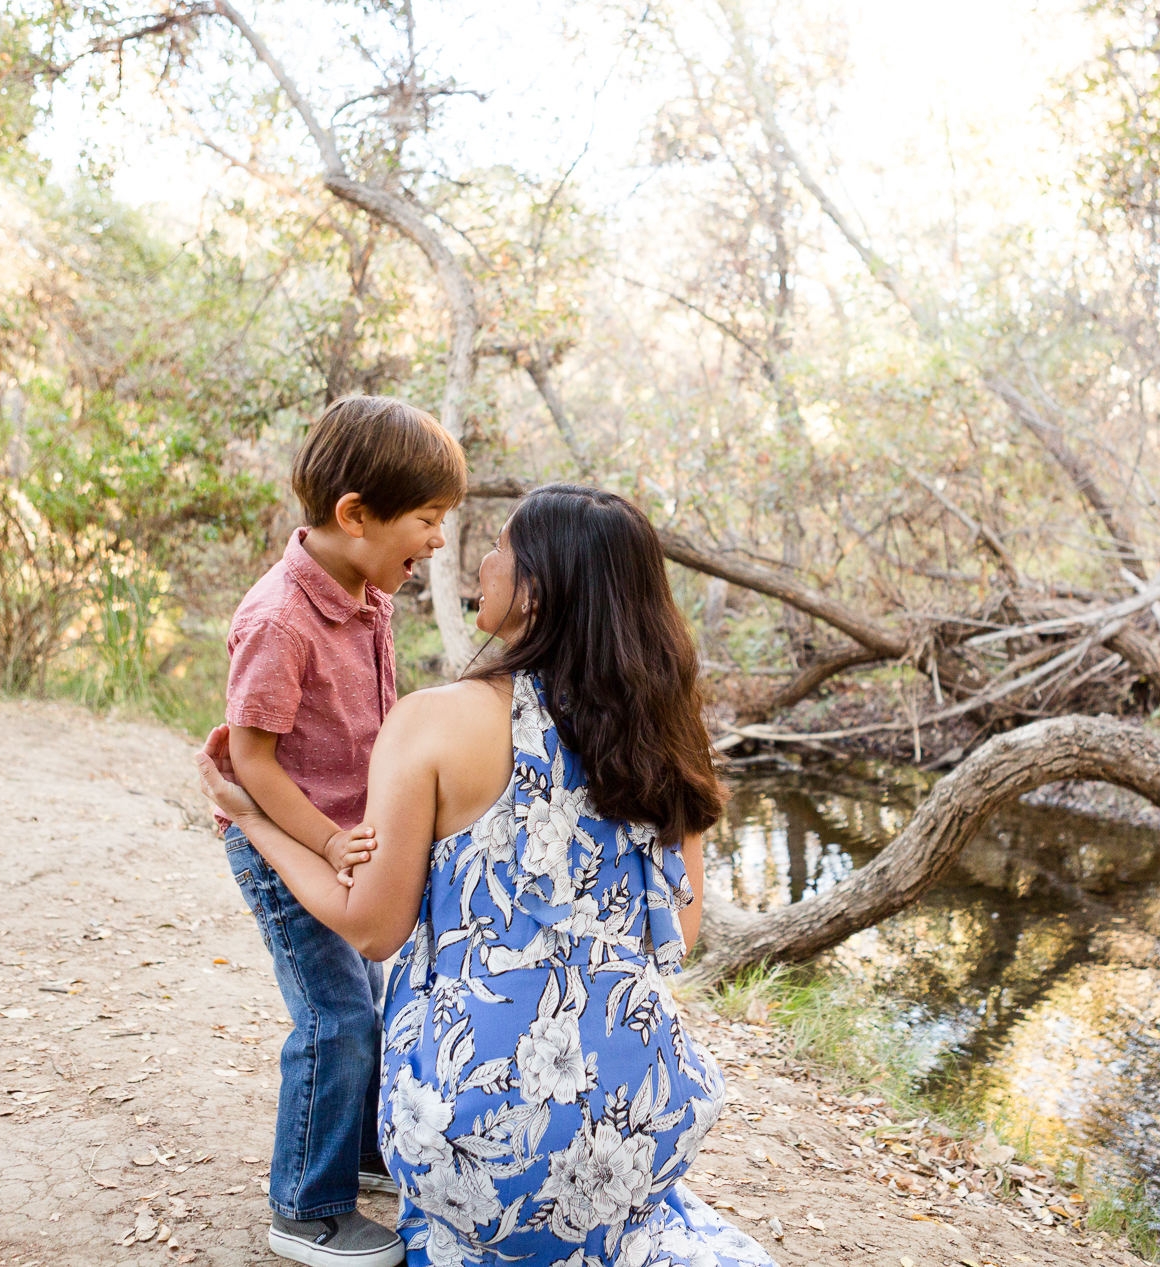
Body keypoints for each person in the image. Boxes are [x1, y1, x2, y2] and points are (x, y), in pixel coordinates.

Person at [198, 484, 774, 1267]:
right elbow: (682, 930)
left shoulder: (436, 721)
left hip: (477, 1132)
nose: (479, 559)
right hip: (644, 1121)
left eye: (501, 547)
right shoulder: (665, 733)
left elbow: (371, 925)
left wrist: (256, 818)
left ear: (536, 588)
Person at [220, 394, 466, 1267]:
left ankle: (360, 1151)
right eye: (428, 519)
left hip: (347, 838)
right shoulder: (280, 618)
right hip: (286, 842)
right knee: (334, 1017)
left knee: (369, 999)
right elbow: (250, 760)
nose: (438, 540)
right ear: (356, 514)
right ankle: (305, 1204)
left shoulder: (367, 592)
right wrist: (322, 840)